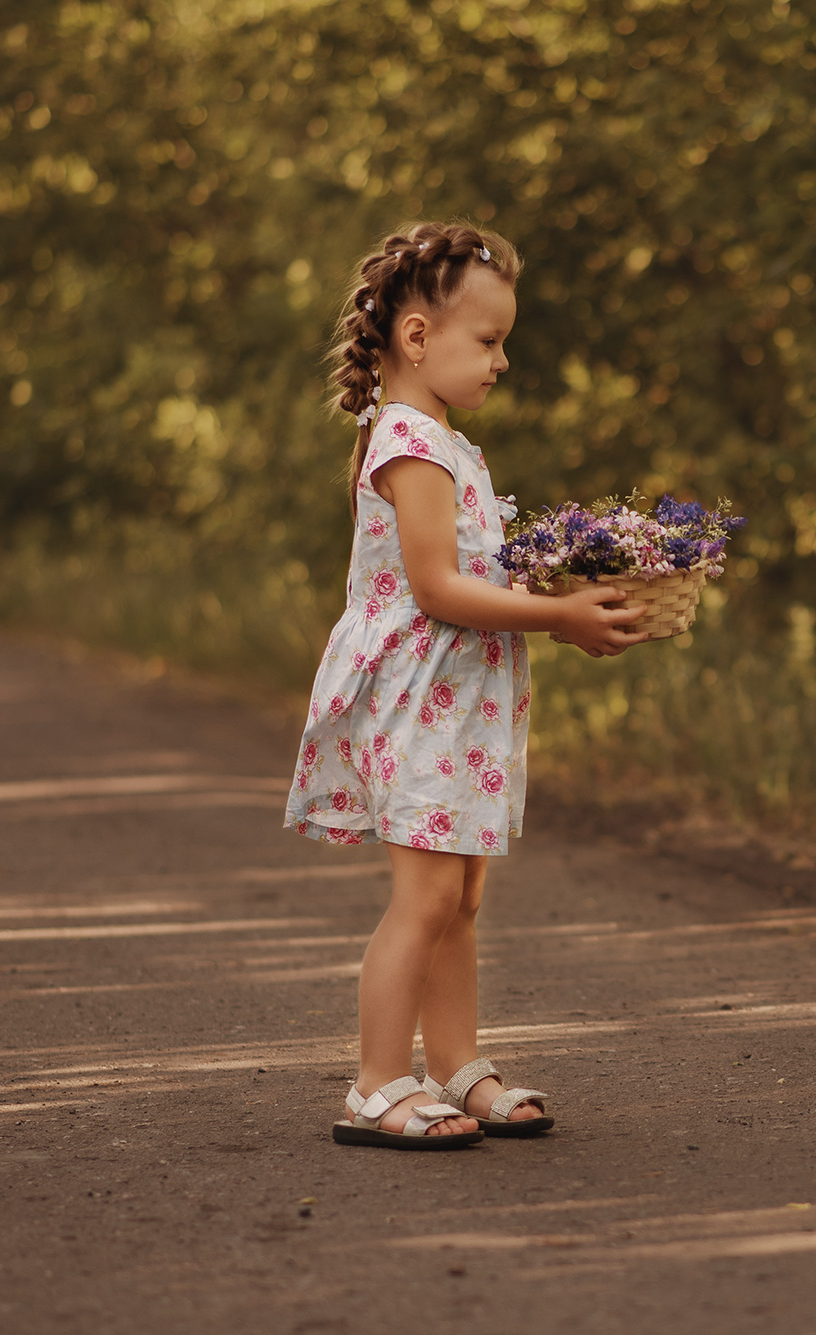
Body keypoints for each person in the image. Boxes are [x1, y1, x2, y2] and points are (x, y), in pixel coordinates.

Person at [285, 221, 646, 1149]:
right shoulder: (409, 442)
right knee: (425, 897)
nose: (502, 362)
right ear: (416, 338)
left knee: (463, 896)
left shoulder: (447, 441)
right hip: (418, 699)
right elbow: (438, 587)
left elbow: (473, 575)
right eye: (487, 342)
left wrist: (557, 586)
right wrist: (560, 621)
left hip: (463, 702)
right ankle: (376, 1083)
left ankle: (453, 1060)